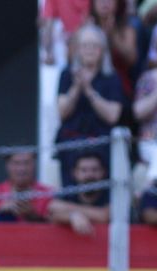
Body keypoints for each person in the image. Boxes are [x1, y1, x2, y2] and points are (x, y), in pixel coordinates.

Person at [56, 23, 123, 174]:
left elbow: (113, 116)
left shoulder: (111, 77)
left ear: (102, 50)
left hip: (101, 141)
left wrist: (89, 91)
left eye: (94, 45)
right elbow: (62, 112)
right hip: (71, 139)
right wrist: (77, 88)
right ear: (78, 49)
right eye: (85, 45)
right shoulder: (67, 74)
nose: (90, 50)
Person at [0, 149, 52, 223]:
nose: (22, 168)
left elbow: (55, 229)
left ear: (34, 165)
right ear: (7, 165)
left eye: (26, 163)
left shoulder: (48, 193)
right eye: (16, 163)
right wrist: (1, 213)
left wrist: (31, 215)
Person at [48, 150, 110, 236]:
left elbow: (104, 216)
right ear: (75, 173)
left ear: (104, 172)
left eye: (95, 170)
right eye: (84, 170)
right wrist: (72, 216)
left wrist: (68, 210)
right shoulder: (68, 194)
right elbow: (52, 211)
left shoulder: (113, 195)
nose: (89, 175)